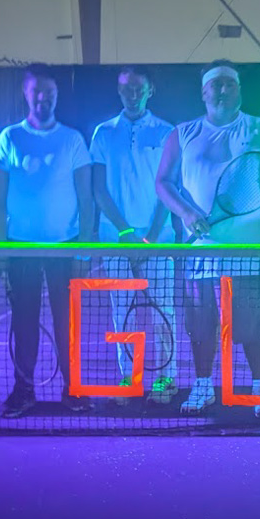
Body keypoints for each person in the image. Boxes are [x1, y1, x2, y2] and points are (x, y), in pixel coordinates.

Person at [155, 60, 260, 419]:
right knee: (201, 324)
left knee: (255, 326)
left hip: (251, 250)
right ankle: (203, 386)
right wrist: (187, 213)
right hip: (203, 251)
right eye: (216, 84)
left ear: (239, 90)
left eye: (230, 84)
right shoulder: (183, 132)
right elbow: (163, 182)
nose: (223, 90)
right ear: (204, 92)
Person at [0, 64, 95, 418]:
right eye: (37, 92)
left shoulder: (73, 139)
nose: (43, 98)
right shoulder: (9, 138)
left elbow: (86, 198)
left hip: (65, 248)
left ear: (56, 96)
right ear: (26, 93)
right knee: (24, 323)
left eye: (49, 93)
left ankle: (73, 387)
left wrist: (84, 247)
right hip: (21, 250)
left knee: (69, 322)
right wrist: (2, 250)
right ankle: (24, 390)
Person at [90, 66, 178, 406]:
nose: (132, 93)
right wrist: (125, 232)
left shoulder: (168, 132)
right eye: (126, 88)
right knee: (122, 310)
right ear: (118, 90)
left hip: (159, 239)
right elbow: (98, 190)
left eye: (138, 87)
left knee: (163, 311)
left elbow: (169, 187)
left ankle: (165, 378)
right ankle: (130, 376)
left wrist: (152, 236)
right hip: (117, 239)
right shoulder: (102, 133)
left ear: (149, 90)